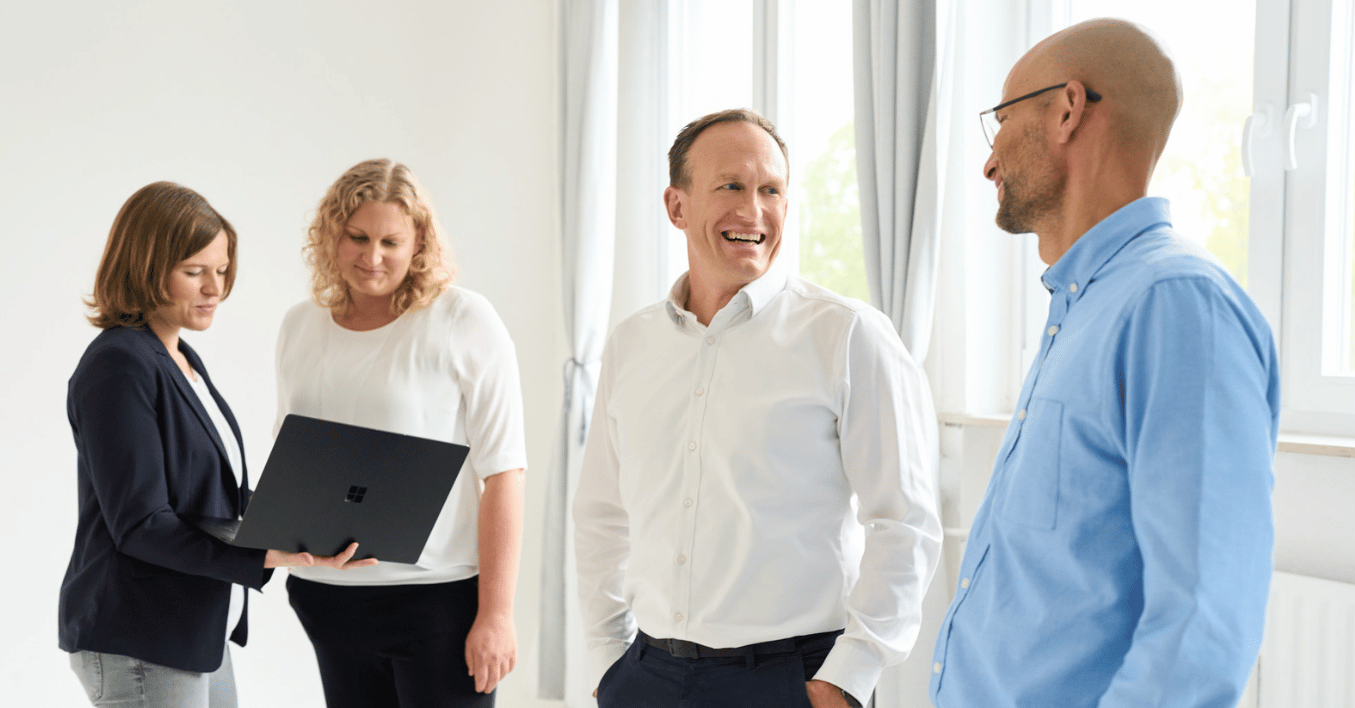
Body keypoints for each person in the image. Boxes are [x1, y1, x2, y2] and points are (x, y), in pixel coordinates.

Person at [928, 19, 1280, 708]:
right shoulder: (1085, 306)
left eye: (1001, 121)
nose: (989, 160)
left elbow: (1202, 628)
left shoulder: (1176, 305)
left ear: (1067, 109)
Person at [573, 108, 942, 708]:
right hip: (646, 676)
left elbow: (905, 522)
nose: (753, 210)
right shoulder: (631, 344)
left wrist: (847, 680)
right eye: (731, 187)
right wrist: (606, 659)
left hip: (793, 681)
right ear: (677, 206)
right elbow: (601, 514)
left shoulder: (847, 335)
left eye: (771, 189)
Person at [60, 181, 375, 708]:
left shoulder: (180, 359)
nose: (215, 288)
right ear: (143, 267)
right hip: (142, 636)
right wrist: (268, 555)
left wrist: (306, 526)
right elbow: (140, 525)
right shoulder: (119, 365)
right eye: (194, 272)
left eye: (222, 270)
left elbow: (206, 498)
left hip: (196, 630)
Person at [277, 159, 528, 708]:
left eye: (391, 241)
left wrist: (497, 615)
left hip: (436, 602)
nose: (372, 257)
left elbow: (504, 472)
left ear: (419, 244)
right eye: (357, 237)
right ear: (331, 237)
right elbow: (293, 461)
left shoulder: (464, 319)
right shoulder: (301, 325)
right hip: (326, 598)